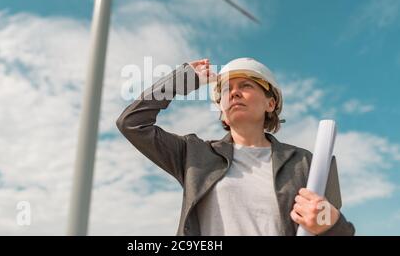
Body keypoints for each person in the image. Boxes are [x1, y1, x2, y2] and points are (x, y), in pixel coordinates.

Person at [116, 57, 355, 236]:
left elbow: (336, 230)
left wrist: (331, 225)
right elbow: (132, 123)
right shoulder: (193, 155)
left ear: (270, 103)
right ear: (221, 110)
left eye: (246, 86)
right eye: (227, 89)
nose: (234, 93)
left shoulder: (309, 164)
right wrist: (182, 80)